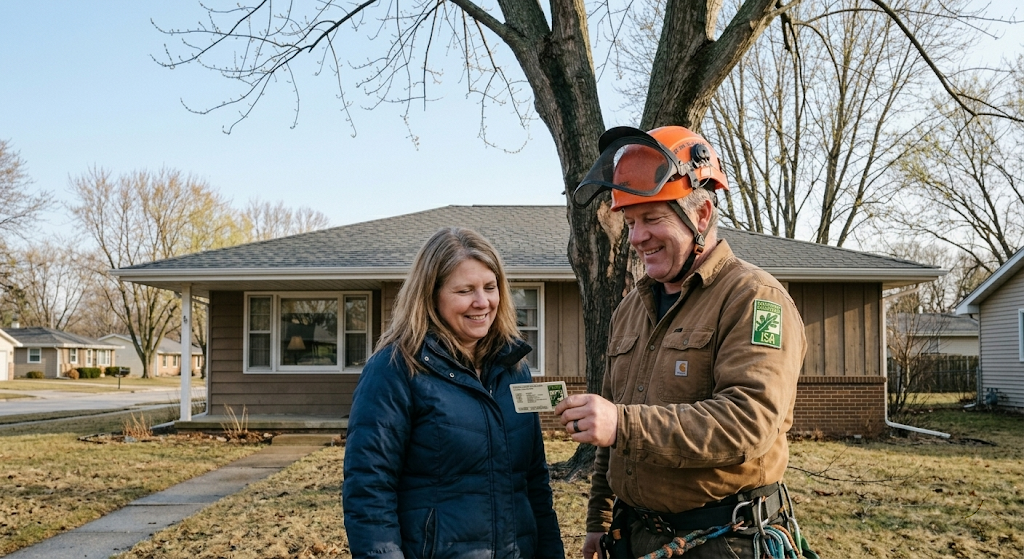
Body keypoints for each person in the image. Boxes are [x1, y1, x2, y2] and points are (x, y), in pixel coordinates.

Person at [558, 126, 814, 558]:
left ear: (700, 215)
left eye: (653, 218)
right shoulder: (630, 310)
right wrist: (599, 521)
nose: (637, 237)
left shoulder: (754, 299)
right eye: (631, 221)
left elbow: (748, 421)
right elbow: (611, 425)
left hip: (721, 541)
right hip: (633, 535)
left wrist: (624, 423)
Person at [342, 227, 566, 559]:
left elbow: (533, 482)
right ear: (431, 295)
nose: (482, 302)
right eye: (464, 290)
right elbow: (369, 489)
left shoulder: (514, 368)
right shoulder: (395, 369)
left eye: (490, 288)